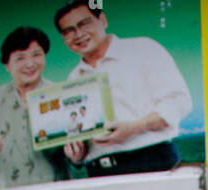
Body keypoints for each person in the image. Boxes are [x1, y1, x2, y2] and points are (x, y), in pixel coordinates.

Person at [53, 2, 193, 177]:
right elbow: (81, 137)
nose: (78, 34)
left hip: (152, 161)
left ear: (102, 20)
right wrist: (77, 153)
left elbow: (179, 102)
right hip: (99, 172)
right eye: (69, 30)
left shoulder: (143, 49)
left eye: (84, 23)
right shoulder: (73, 78)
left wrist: (135, 128)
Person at [0, 26, 66, 189]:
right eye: (20, 58)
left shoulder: (60, 95)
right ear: (7, 64)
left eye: (36, 54)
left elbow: (77, 156)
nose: (30, 63)